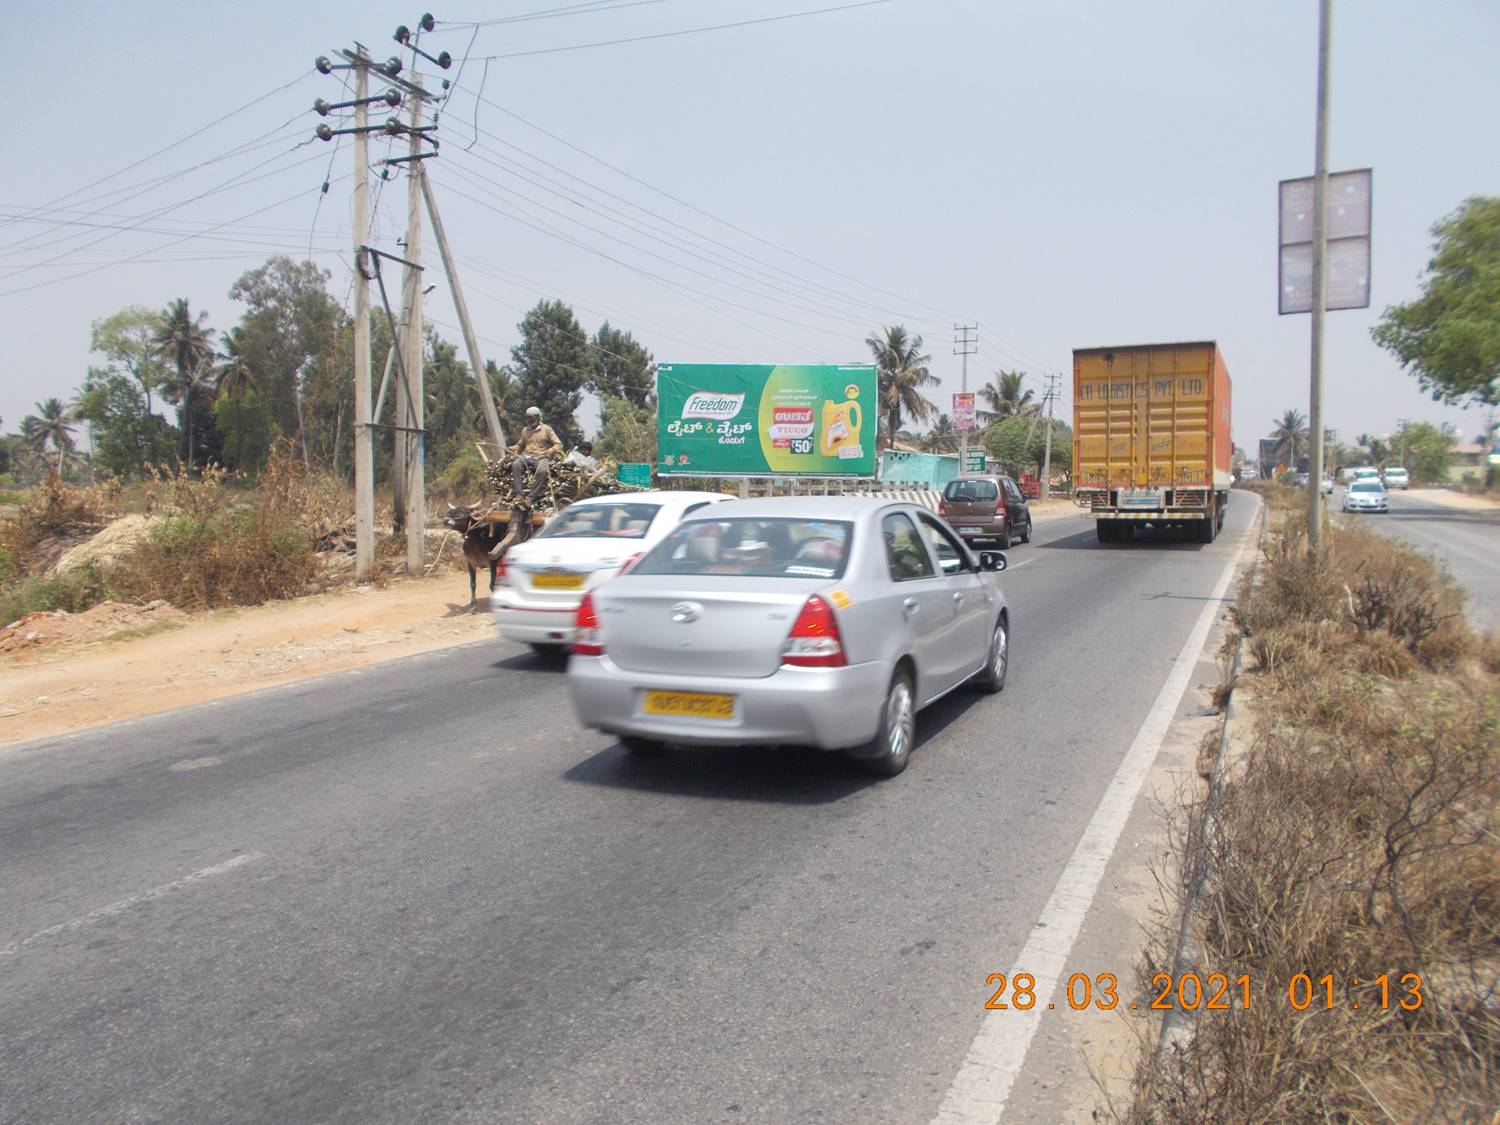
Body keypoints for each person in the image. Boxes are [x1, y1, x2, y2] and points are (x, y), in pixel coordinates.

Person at [510, 406, 564, 508]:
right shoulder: (525, 430)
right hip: (527, 457)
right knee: (515, 464)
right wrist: (513, 448)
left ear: (538, 418)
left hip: (541, 457)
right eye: (528, 418)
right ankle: (519, 495)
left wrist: (550, 451)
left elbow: (558, 444)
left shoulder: (547, 430)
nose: (530, 420)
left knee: (543, 470)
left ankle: (531, 497)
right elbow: (520, 445)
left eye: (532, 417)